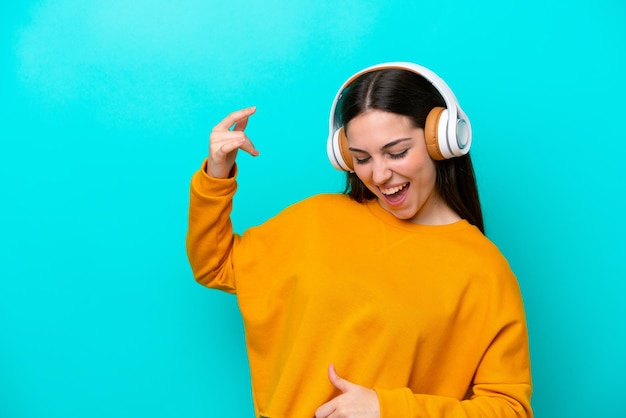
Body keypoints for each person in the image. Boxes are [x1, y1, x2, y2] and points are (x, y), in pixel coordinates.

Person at [186, 62, 533, 418]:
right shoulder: (317, 219)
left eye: (396, 152)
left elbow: (509, 409)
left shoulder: (484, 270)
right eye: (362, 158)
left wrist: (389, 409)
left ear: (440, 141)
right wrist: (217, 172)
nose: (380, 175)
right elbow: (215, 264)